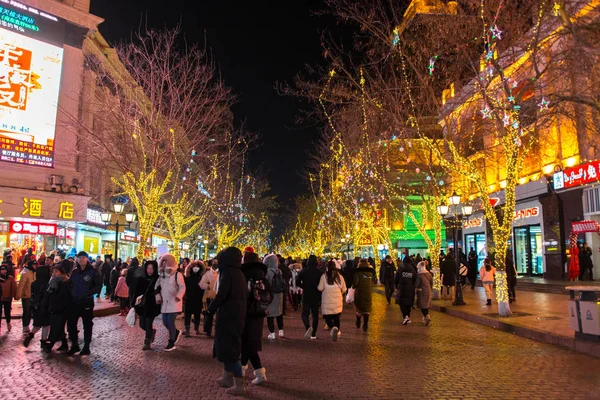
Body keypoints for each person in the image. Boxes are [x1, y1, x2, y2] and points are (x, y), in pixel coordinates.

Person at [204, 247, 247, 396]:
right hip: (236, 315)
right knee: (229, 346)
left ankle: (239, 384)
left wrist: (210, 309)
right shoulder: (239, 273)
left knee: (228, 348)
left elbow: (222, 294)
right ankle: (227, 377)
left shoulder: (227, 273)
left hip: (229, 315)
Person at [240, 251, 269, 386]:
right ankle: (241, 368)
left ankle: (259, 372)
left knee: (247, 344)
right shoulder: (263, 276)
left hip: (247, 313)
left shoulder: (244, 275)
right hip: (259, 313)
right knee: (248, 343)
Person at [67, 251, 103, 356]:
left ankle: (86, 346)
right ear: (77, 259)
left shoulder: (93, 272)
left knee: (87, 325)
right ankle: (74, 345)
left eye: (83, 257)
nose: (81, 259)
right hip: (74, 302)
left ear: (87, 259)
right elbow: (70, 284)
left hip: (86, 302)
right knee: (71, 324)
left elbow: (98, 285)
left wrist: (89, 294)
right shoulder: (74, 272)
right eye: (79, 257)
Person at [155, 253, 186, 351]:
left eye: (166, 263)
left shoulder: (177, 274)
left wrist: (178, 296)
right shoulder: (161, 276)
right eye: (162, 263)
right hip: (164, 303)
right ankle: (175, 332)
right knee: (165, 322)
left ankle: (171, 342)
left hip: (174, 302)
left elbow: (182, 287)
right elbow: (156, 287)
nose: (164, 265)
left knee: (170, 322)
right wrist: (158, 297)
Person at [41, 266, 71, 354]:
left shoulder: (63, 281)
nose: (54, 273)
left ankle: (50, 346)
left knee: (56, 327)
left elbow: (63, 295)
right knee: (60, 328)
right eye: (53, 271)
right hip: (54, 307)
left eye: (56, 271)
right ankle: (64, 344)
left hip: (61, 308)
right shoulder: (53, 281)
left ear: (61, 272)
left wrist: (53, 293)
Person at [134, 260, 161, 351]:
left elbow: (160, 290)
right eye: (148, 268)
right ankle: (151, 332)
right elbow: (137, 291)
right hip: (143, 305)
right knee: (142, 324)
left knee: (149, 323)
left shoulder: (158, 279)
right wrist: (134, 303)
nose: (150, 270)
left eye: (152, 269)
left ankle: (147, 342)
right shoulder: (142, 279)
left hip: (152, 305)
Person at [24, 261, 51, 348]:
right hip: (45, 306)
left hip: (36, 307)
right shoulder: (47, 284)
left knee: (38, 324)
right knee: (46, 324)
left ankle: (31, 335)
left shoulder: (34, 283)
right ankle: (43, 341)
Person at [318, 260, 346, 341]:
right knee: (336, 317)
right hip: (337, 300)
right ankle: (337, 331)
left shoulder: (324, 276)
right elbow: (344, 289)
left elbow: (320, 288)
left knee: (328, 318)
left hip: (327, 300)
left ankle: (333, 328)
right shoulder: (340, 277)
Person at [297, 254, 323, 340]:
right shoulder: (319, 272)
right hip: (316, 294)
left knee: (305, 313)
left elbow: (297, 282)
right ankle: (313, 334)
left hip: (306, 294)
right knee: (315, 314)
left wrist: (303, 286)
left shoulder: (304, 271)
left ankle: (308, 327)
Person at [265, 254, 284, 340]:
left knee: (270, 314)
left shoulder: (268, 272)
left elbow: (266, 283)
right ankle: (281, 330)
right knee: (279, 313)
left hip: (271, 294)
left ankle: (272, 333)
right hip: (279, 294)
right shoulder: (279, 271)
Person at [183, 260, 205, 336]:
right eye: (194, 267)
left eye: (197, 267)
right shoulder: (187, 277)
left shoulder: (202, 277)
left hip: (198, 298)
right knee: (187, 314)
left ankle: (196, 328)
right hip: (189, 298)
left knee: (197, 314)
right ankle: (187, 329)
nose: (195, 268)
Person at [353, 259, 375, 332]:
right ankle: (365, 324)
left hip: (360, 292)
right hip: (368, 292)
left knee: (359, 308)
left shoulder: (358, 272)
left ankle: (358, 321)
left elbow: (355, 283)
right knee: (367, 309)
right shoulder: (371, 273)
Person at [16, 259, 36, 335]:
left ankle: (27, 325)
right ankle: (25, 326)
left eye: (35, 265)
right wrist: (18, 295)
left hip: (32, 295)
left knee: (30, 311)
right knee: (26, 311)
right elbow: (21, 285)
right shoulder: (25, 273)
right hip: (25, 295)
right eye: (33, 265)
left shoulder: (35, 273)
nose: (35, 266)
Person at [395, 256, 416, 325]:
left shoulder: (400, 268)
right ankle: (408, 317)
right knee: (408, 303)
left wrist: (397, 285)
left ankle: (405, 317)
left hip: (402, 288)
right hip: (410, 288)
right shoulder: (412, 269)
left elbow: (396, 278)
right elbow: (415, 278)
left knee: (402, 304)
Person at [200, 258, 219, 336]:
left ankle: (217, 330)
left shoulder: (221, 273)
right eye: (214, 262)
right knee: (208, 314)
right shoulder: (207, 273)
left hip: (218, 297)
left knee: (218, 315)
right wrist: (207, 286)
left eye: (217, 262)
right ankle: (208, 330)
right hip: (209, 297)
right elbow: (201, 283)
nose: (215, 264)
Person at [414, 261, 433, 325]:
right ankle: (426, 317)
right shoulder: (429, 274)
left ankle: (426, 316)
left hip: (421, 291)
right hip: (428, 291)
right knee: (426, 305)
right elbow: (431, 282)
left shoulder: (419, 275)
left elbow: (416, 284)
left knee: (422, 306)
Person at [0, 264, 16, 333]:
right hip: (0, 298)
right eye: (2, 269)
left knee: (7, 312)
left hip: (8, 298)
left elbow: (14, 288)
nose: (3, 271)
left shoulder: (10, 278)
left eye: (5, 269)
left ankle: (8, 323)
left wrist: (14, 295)